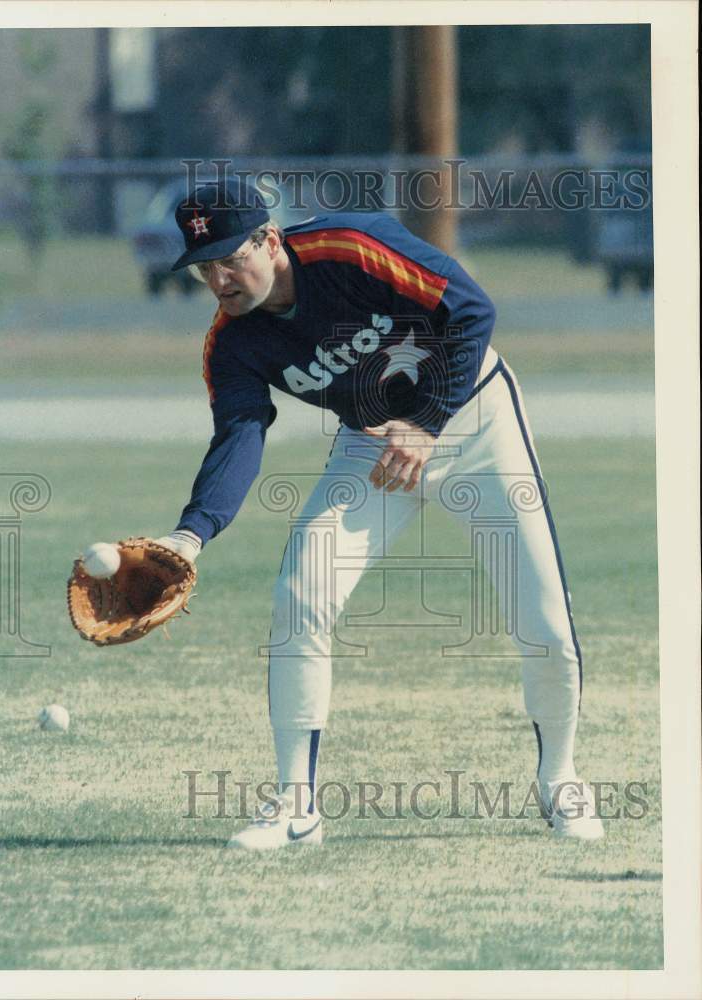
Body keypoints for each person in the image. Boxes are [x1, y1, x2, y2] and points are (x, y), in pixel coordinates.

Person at [154, 177, 603, 850]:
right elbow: (239, 436)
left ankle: (560, 777)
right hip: (371, 450)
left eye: (228, 256)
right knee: (300, 593)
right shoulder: (234, 344)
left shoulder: (349, 247)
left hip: (477, 427)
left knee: (544, 617)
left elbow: (471, 310)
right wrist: (189, 537)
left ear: (269, 239)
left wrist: (424, 423)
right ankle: (294, 805)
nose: (217, 276)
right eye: (202, 266)